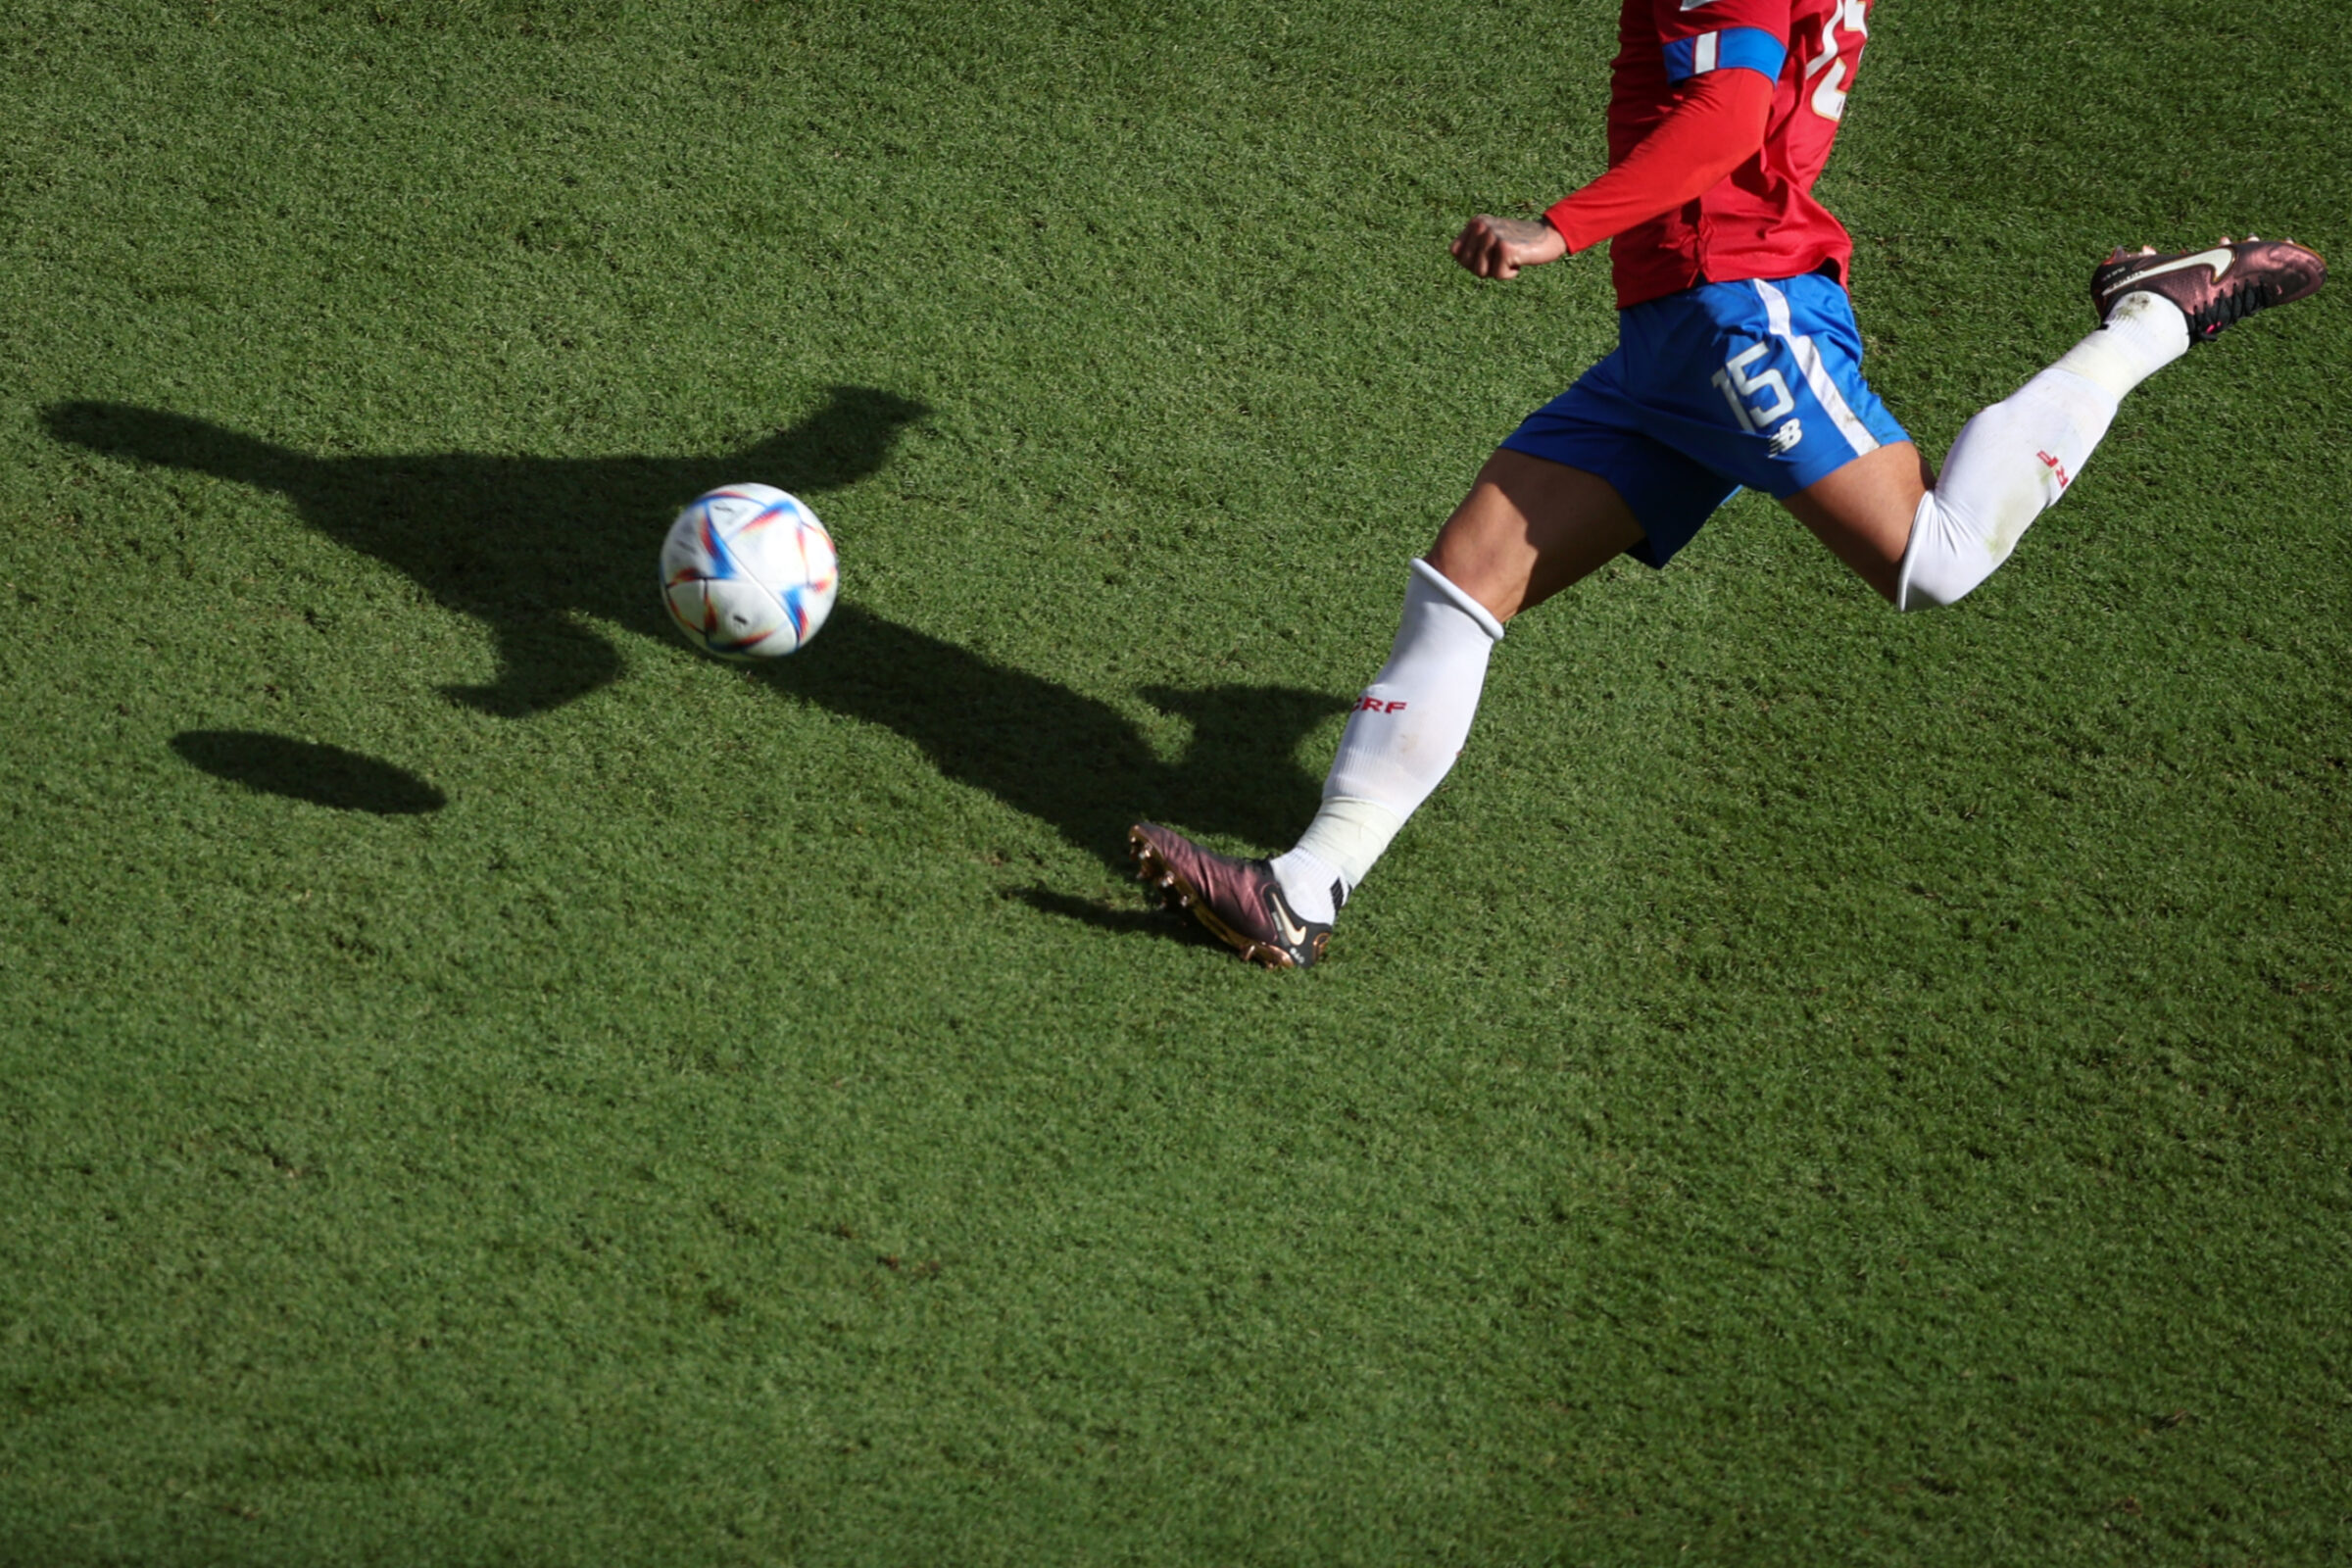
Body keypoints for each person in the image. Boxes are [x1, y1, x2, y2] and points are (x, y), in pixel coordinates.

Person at [1130, 0, 2326, 968]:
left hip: (1735, 309)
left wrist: (1560, 227)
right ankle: (1300, 889)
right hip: (1672, 334)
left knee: (1935, 558)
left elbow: (1731, 111)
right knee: (1466, 580)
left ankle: (2155, 315)